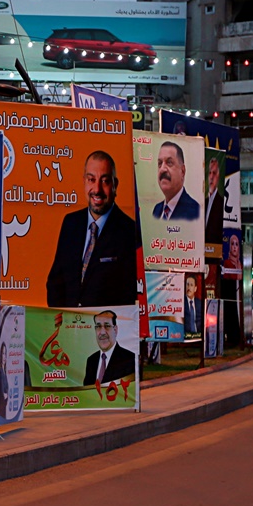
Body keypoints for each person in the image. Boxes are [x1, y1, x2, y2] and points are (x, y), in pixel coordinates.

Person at [46, 150, 137, 307]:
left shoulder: (129, 232)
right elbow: (55, 282)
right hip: (70, 328)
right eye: (91, 180)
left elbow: (129, 294)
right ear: (84, 182)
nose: (97, 189)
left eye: (105, 181)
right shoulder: (70, 223)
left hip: (105, 327)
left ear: (115, 185)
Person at [83, 310, 136, 386]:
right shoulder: (91, 361)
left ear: (115, 330)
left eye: (107, 326)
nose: (102, 332)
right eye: (98, 326)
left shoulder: (129, 359)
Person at [152, 141, 200, 221]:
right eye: (160, 163)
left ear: (182, 171)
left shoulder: (195, 212)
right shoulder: (157, 210)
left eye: (169, 162)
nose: (162, 169)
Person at [204, 154, 223, 245]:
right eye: (209, 173)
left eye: (214, 173)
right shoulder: (203, 203)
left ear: (218, 176)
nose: (211, 177)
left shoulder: (222, 203)